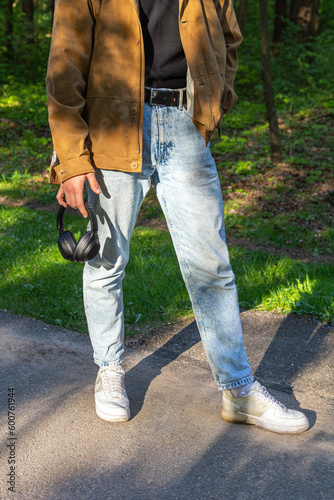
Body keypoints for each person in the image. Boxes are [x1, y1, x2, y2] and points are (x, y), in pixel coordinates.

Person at [46, 0, 309, 433]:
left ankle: (238, 390)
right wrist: (72, 160)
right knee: (106, 262)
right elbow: (65, 61)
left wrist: (212, 107)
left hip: (184, 123)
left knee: (212, 267)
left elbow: (228, 37)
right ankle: (110, 370)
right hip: (111, 127)